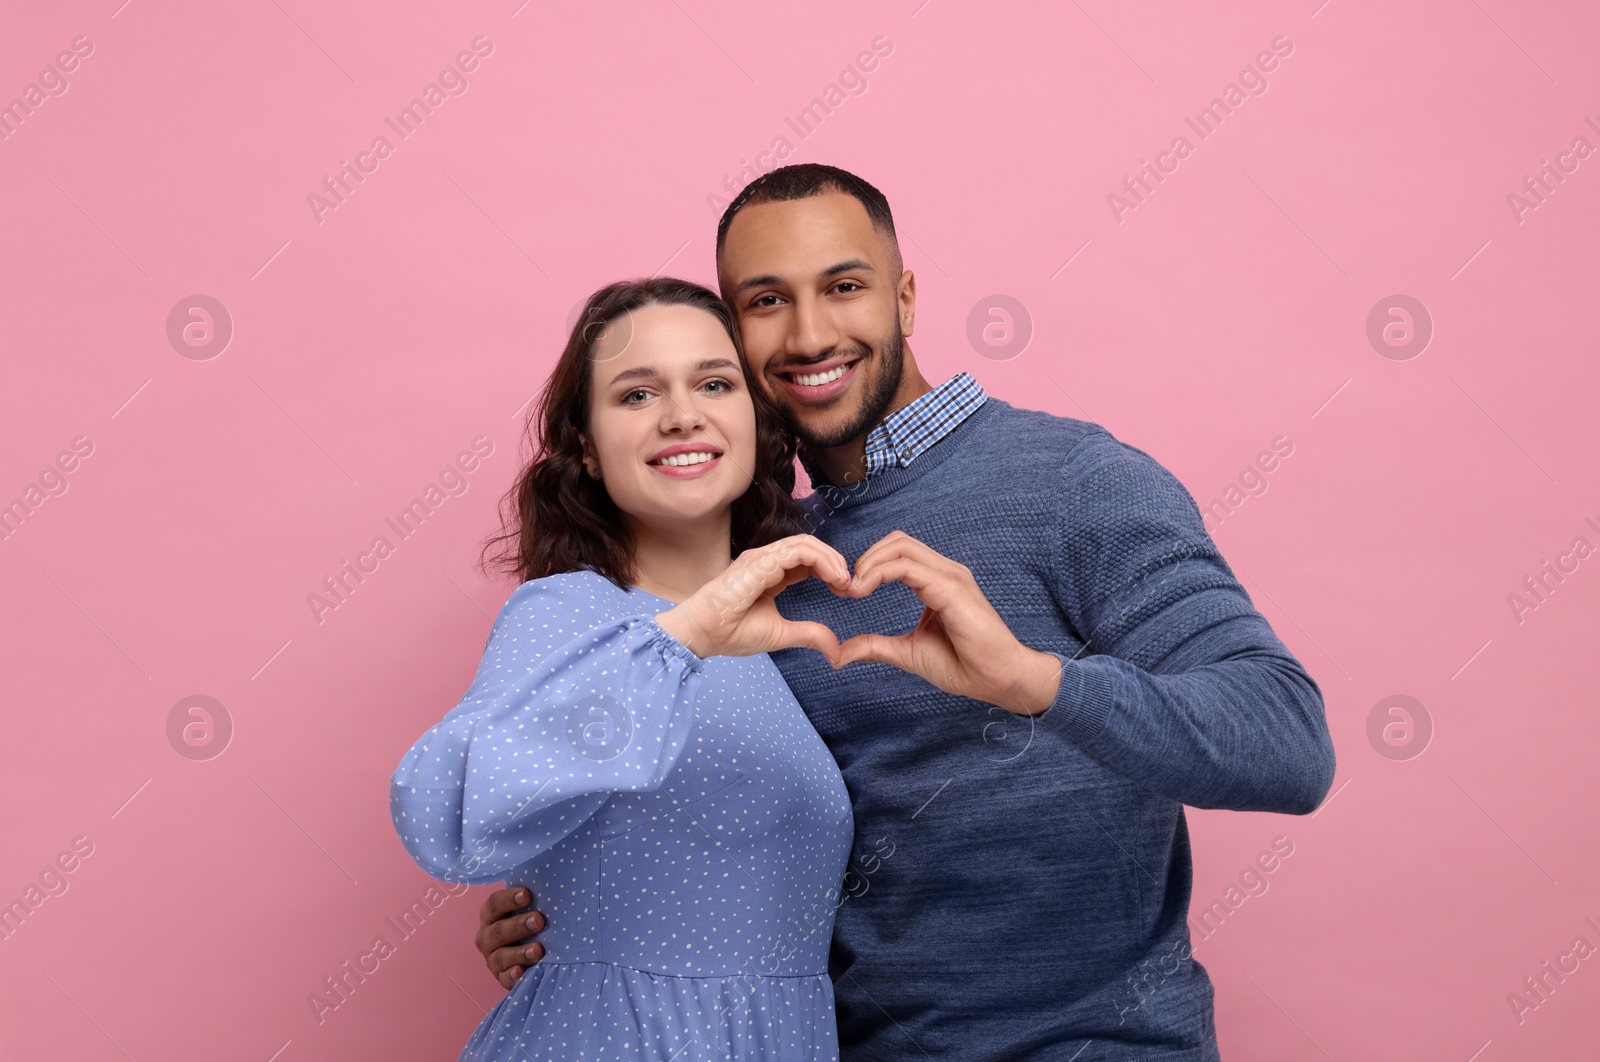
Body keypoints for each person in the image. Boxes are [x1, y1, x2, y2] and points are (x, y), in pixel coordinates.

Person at [470, 165, 1339, 1060]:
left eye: (844, 287)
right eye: (767, 301)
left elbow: (1289, 743)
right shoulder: (762, 566)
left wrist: (1036, 683)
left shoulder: (1079, 483)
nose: (810, 335)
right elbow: (733, 808)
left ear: (906, 298)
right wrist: (576, 917)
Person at [390, 276, 860, 1060]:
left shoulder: (787, 641)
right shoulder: (570, 612)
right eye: (637, 394)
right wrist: (684, 634)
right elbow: (444, 807)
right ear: (584, 445)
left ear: (756, 417)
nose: (682, 414)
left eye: (714, 382)